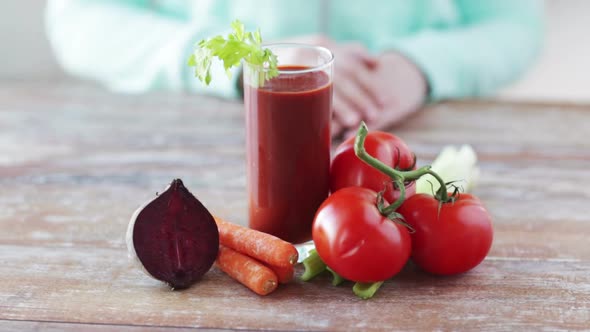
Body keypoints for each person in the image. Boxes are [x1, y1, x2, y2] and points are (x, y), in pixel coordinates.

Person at [45, 0, 543, 137]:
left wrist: (419, 65)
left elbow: (516, 21)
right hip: (204, 136)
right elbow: (77, 17)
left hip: (411, 133)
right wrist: (240, 61)